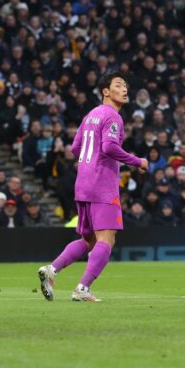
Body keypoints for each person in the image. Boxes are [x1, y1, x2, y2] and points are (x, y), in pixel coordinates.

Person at [37, 73, 147, 303]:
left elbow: (75, 148)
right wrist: (137, 162)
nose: (125, 89)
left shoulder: (90, 115)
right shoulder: (113, 117)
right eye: (118, 85)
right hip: (102, 186)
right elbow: (109, 147)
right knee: (107, 239)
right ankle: (83, 288)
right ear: (106, 91)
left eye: (126, 85)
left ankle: (51, 270)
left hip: (83, 184)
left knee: (89, 241)